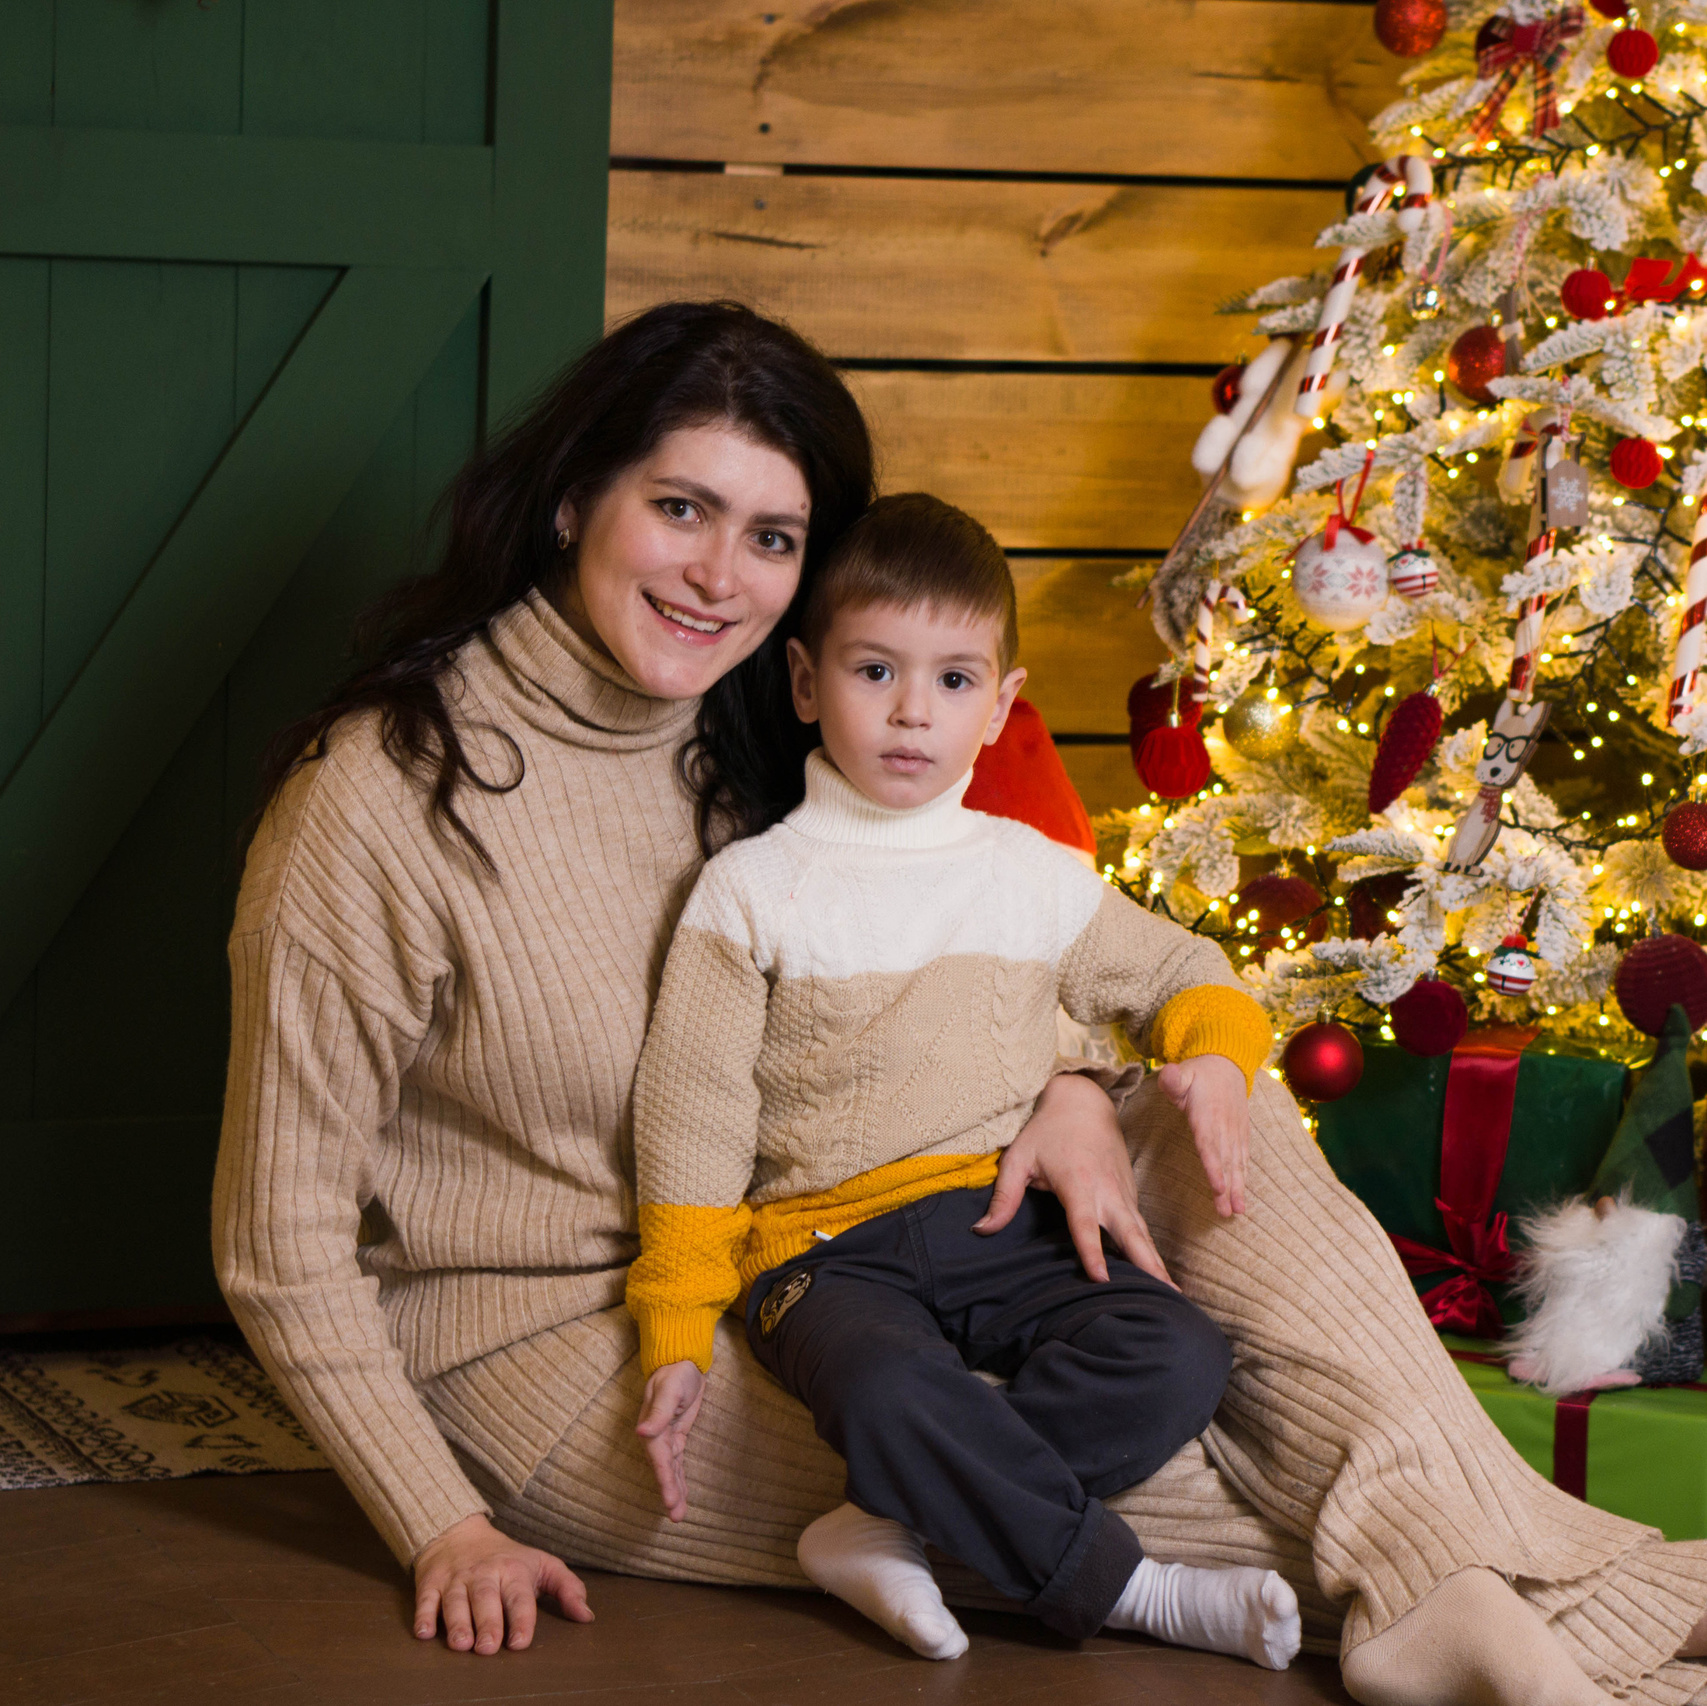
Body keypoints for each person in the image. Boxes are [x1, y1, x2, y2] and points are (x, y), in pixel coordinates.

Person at [213, 301, 1707, 1705]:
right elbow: (278, 1242)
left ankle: (1474, 1594)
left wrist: (1068, 1088)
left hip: (896, 1224)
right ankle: (1560, 1596)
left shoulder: (761, 724)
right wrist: (442, 1521)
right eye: (678, 507)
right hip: (588, 1347)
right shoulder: (378, 804)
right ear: (570, 501)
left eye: (772, 537)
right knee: (1126, 1469)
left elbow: (933, 954)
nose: (718, 574)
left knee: (1210, 1092)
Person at [626, 493, 1302, 1669]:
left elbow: (1184, 970)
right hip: (823, 1248)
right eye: (874, 669)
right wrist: (677, 1324)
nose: (911, 710)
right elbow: (693, 1117)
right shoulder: (750, 890)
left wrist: (1217, 1055)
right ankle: (1133, 1586)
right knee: (887, 1387)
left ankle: (879, 1517)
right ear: (805, 680)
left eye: (952, 680)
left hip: (1000, 1217)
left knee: (1176, 1352)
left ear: (1000, 703)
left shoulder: (1029, 875)